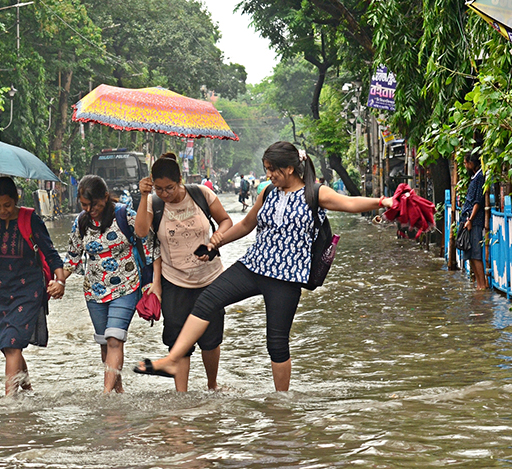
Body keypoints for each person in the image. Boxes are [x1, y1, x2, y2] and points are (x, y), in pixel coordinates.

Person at [133, 141, 393, 391]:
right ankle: (171, 361)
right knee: (207, 300)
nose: (268, 175)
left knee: (277, 343)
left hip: (287, 277)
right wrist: (216, 242)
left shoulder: (315, 193)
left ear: (289, 168)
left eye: (272, 169)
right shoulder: (268, 192)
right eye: (266, 169)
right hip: (254, 266)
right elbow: (246, 225)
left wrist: (382, 202)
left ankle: (281, 407)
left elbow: (350, 203)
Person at [0, 177, 66, 396]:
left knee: (13, 343)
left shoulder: (30, 219)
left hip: (28, 291)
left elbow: (50, 253)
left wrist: (60, 281)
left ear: (16, 200)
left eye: (7, 205)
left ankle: (10, 401)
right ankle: (27, 389)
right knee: (8, 347)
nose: (2, 211)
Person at [134, 154, 233, 391]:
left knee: (210, 340)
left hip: (210, 279)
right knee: (179, 341)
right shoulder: (153, 203)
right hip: (174, 281)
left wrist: (215, 241)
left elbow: (226, 221)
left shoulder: (201, 194)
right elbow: (140, 232)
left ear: (180, 180)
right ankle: (182, 395)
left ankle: (212, 385)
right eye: (159, 188)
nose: (165, 194)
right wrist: (145, 195)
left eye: (169, 188)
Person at [63, 175, 154, 393]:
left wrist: (153, 283)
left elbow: (150, 244)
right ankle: (117, 390)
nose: (88, 209)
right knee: (105, 342)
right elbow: (72, 256)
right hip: (94, 292)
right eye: (84, 205)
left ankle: (105, 395)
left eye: (92, 204)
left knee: (115, 338)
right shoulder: (81, 222)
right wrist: (59, 281)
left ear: (105, 197)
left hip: (126, 286)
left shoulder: (125, 215)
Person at [460, 153, 488, 290]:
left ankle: (482, 285)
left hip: (474, 221)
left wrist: (470, 219)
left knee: (476, 254)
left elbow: (477, 201)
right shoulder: (475, 177)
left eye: (466, 163)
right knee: (470, 253)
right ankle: (479, 285)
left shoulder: (480, 177)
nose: (465, 165)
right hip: (469, 219)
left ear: (471, 163)